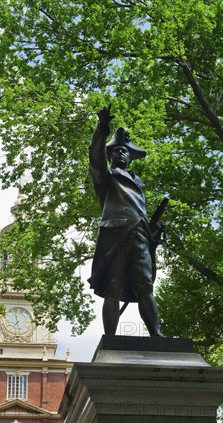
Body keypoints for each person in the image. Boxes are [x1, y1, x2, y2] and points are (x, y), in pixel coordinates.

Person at [88, 105, 162, 337]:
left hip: (140, 235)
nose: (120, 153)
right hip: (115, 235)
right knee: (114, 287)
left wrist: (153, 233)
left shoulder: (139, 185)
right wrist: (102, 128)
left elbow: (141, 213)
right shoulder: (105, 178)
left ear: (131, 157)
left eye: (124, 151)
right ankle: (110, 337)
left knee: (145, 287)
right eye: (115, 151)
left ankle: (156, 334)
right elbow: (95, 156)